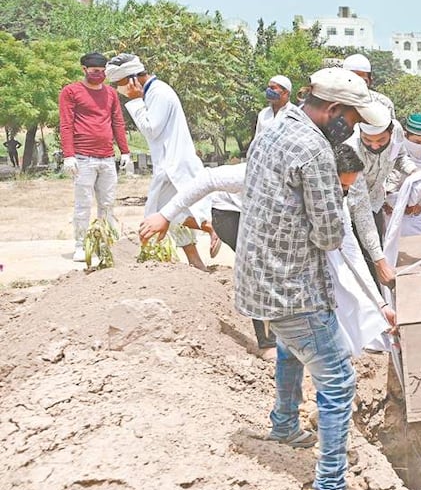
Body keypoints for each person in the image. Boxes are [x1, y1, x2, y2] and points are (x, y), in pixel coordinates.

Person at [235, 66, 388, 490]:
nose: (355, 128)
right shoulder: (315, 150)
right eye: (353, 119)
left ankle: (283, 426)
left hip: (259, 278)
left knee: (289, 345)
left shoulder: (275, 128)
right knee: (338, 378)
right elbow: (327, 234)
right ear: (335, 111)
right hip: (291, 286)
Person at [138, 145, 395, 360]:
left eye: (348, 189)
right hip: (232, 214)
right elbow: (209, 179)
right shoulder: (273, 171)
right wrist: (165, 215)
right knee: (265, 263)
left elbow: (348, 250)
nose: (343, 194)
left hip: (271, 218)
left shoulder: (332, 199)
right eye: (340, 186)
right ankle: (268, 343)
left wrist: (379, 304)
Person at [105, 53, 209, 270]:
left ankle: (210, 228)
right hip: (168, 163)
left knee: (158, 217)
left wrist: (134, 101)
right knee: (167, 215)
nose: (118, 89)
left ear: (131, 78)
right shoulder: (153, 92)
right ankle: (195, 260)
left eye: (118, 83)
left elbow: (152, 129)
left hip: (173, 165)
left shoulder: (159, 93)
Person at [59, 52, 132, 262]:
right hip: (83, 158)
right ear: (84, 70)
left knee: (107, 204)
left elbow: (118, 122)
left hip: (108, 158)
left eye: (102, 72)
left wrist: (124, 150)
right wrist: (69, 155)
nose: (98, 75)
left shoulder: (110, 93)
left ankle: (105, 243)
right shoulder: (71, 92)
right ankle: (80, 245)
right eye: (94, 72)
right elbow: (66, 124)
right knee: (83, 205)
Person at [342, 107, 419, 284]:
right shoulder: (352, 150)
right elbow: (360, 209)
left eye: (381, 140)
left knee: (377, 261)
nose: (374, 146)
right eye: (367, 140)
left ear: (391, 132)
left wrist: (413, 171)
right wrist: (380, 262)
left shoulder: (397, 130)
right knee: (362, 268)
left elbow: (399, 157)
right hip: (351, 212)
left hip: (375, 202)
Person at [342, 54, 396, 119]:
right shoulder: (333, 100)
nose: (357, 85)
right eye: (351, 80)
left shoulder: (383, 103)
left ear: (370, 81)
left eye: (362, 81)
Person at [253, 75, 294, 141]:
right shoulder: (263, 114)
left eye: (272, 88)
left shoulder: (293, 114)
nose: (268, 90)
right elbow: (257, 140)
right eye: (268, 87)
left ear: (285, 92)